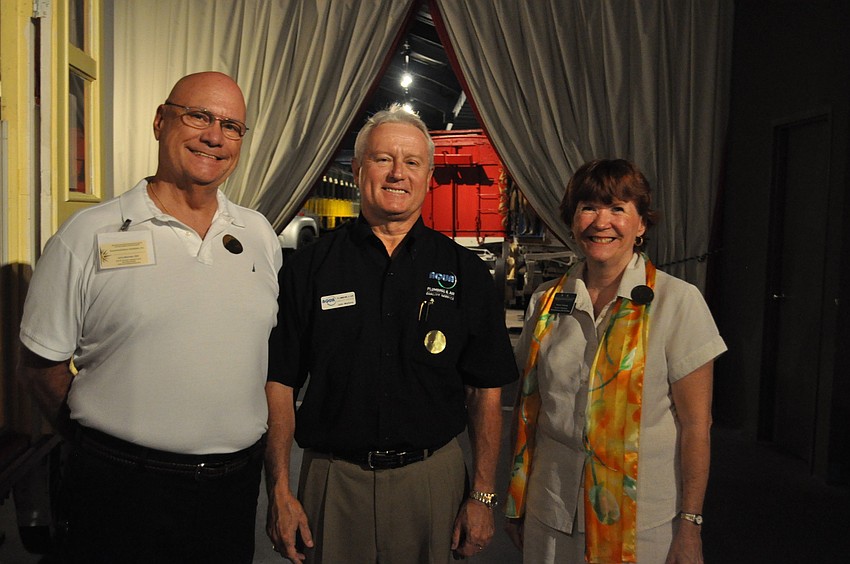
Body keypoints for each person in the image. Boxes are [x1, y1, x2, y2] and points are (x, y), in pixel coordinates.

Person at [17, 71, 282, 563]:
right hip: (118, 490)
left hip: (232, 492)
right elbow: (40, 369)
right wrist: (96, 445)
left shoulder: (259, 234)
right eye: (198, 116)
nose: (214, 136)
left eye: (231, 125)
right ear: (161, 121)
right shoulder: (87, 235)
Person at [265, 104, 518, 563]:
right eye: (383, 159)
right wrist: (280, 489)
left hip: (431, 481)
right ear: (359, 169)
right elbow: (279, 381)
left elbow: (485, 391)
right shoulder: (309, 269)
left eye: (412, 162)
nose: (397, 173)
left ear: (428, 176)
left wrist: (482, 496)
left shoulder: (465, 273)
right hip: (333, 480)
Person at [504, 159, 726, 564]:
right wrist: (517, 502)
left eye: (618, 208)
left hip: (642, 519)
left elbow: (697, 426)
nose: (600, 221)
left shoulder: (678, 302)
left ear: (641, 225)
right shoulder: (548, 300)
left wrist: (691, 525)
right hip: (551, 508)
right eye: (587, 207)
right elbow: (527, 406)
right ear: (572, 220)